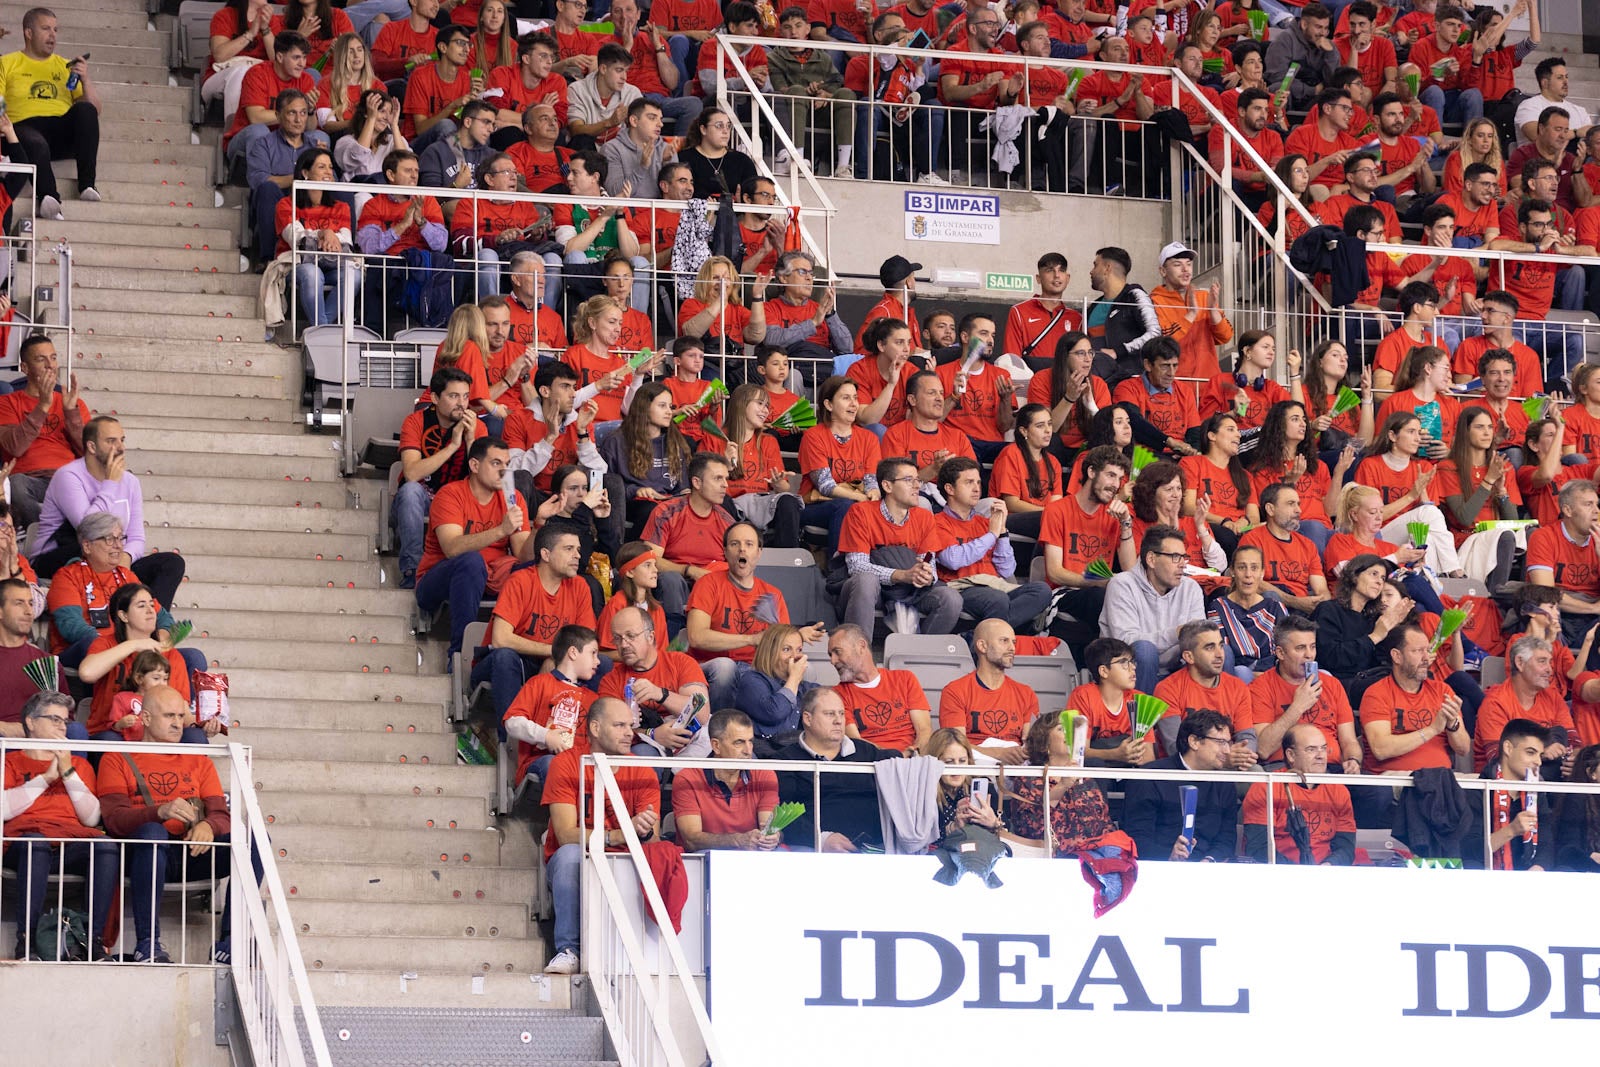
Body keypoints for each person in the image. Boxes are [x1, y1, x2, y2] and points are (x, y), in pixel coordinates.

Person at [98, 686, 253, 964]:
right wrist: (158, 812)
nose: (177, 723)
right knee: (153, 831)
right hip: (140, 852)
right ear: (145, 718)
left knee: (252, 840)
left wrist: (209, 826)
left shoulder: (198, 760)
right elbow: (114, 820)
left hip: (188, 851)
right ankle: (148, 943)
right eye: (169, 715)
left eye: (181, 715)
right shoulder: (116, 756)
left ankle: (231, 941)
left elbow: (221, 815)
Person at [541, 697, 660, 974]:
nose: (629, 733)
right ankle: (570, 950)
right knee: (571, 854)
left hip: (625, 858)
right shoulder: (566, 764)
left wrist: (642, 831)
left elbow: (651, 839)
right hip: (581, 855)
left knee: (655, 857)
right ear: (595, 728)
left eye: (630, 725)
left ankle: (641, 953)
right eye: (619, 725)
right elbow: (566, 835)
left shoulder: (641, 768)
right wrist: (620, 835)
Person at [2, 691, 115, 960]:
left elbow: (91, 819)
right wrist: (46, 777)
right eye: (54, 719)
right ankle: (26, 942)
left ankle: (93, 941)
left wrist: (66, 772)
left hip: (69, 843)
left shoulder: (78, 765)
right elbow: (4, 809)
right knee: (35, 844)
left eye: (65, 721)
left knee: (105, 847)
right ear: (30, 722)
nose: (62, 727)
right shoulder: (9, 760)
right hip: (25, 843)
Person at [30, 416, 185, 609]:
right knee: (94, 548)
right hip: (59, 557)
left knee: (172, 563)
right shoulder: (68, 476)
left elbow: (136, 537)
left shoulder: (130, 482)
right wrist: (110, 484)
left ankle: (154, 628)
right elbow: (89, 530)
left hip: (112, 557)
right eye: (111, 441)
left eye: (122, 440)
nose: (120, 447)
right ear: (92, 447)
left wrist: (125, 558)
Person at [415, 437, 533, 657]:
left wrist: (540, 526)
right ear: (474, 465)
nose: (504, 471)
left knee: (532, 569)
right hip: (437, 577)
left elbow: (523, 556)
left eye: (507, 465)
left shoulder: (513, 497)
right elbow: (451, 548)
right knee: (471, 561)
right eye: (496, 463)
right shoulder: (451, 494)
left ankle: (520, 650)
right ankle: (461, 654)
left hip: (491, 575)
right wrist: (500, 530)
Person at [472, 525, 599, 720]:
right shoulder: (520, 581)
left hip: (555, 662)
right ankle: (512, 743)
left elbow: (586, 643)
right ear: (546, 554)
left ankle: (582, 739)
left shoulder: (580, 586)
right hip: (508, 662)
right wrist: (554, 652)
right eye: (568, 549)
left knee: (602, 664)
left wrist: (555, 660)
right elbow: (500, 640)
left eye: (578, 550)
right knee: (505, 657)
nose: (577, 556)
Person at [835, 456, 962, 636]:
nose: (917, 486)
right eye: (909, 480)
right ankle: (859, 653)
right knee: (865, 580)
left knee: (951, 598)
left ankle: (921, 657)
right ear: (887, 486)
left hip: (910, 591)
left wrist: (926, 575)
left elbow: (930, 562)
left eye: (918, 480)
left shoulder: (925, 517)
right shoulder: (861, 512)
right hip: (875, 591)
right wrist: (901, 575)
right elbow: (857, 567)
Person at [0, 8, 100, 218]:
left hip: (58, 131)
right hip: (22, 130)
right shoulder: (7, 63)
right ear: (28, 33)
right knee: (33, 140)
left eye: (55, 29)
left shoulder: (65, 66)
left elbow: (95, 111)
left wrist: (85, 80)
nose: (53, 35)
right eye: (45, 29)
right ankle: (48, 197)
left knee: (85, 110)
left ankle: (87, 186)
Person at [776, 684, 899, 854]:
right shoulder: (785, 760)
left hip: (877, 850)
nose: (839, 720)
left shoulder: (868, 752)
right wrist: (821, 838)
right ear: (807, 718)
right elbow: (782, 814)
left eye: (841, 713)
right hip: (812, 850)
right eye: (829, 714)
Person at [1002, 715, 1131, 858]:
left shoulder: (1086, 779)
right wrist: (1062, 786)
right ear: (1044, 744)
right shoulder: (1028, 779)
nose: (1070, 734)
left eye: (1072, 730)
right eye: (1062, 729)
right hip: (1052, 861)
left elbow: (1105, 823)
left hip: (1093, 861)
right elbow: (1031, 827)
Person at [1121, 709, 1241, 862]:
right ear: (1194, 742)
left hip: (1208, 872)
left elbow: (1227, 837)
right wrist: (1169, 856)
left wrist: (1210, 860)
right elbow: (1136, 837)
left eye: (1229, 743)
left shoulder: (1224, 784)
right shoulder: (1149, 777)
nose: (1228, 750)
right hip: (1157, 869)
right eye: (1220, 742)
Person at [1354, 410, 1462, 578]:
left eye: (1419, 433)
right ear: (1392, 435)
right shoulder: (1370, 465)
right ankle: (1456, 571)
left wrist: (1422, 488)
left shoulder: (1424, 468)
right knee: (1429, 513)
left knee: (1427, 539)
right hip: (1378, 535)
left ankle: (1430, 583)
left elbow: (1430, 519)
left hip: (1410, 535)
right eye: (1411, 432)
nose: (1418, 438)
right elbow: (1369, 518)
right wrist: (1411, 495)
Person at [1250, 612, 1363, 771]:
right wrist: (1297, 707)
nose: (1309, 655)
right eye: (1300, 648)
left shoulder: (1332, 684)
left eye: (1313, 646)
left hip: (1331, 767)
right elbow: (1263, 749)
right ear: (1281, 653)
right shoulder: (1261, 687)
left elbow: (1349, 741)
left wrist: (1353, 760)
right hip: (1285, 769)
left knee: (1376, 792)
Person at [1359, 619, 1470, 778]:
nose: (1427, 658)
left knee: (1485, 787)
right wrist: (1432, 729)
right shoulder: (1377, 693)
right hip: (1398, 781)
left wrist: (1453, 724)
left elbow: (1464, 749)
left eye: (1427, 650)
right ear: (1397, 656)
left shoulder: (1442, 691)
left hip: (1442, 779)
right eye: (1418, 651)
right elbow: (1381, 749)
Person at [1101, 524, 1205, 694]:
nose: (1182, 565)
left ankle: (1213, 719)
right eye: (1175, 557)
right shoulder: (1122, 585)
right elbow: (1126, 642)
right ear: (1151, 559)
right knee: (1144, 650)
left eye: (1184, 557)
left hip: (1175, 674)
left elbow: (1198, 639)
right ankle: (1141, 719)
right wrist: (1177, 633)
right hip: (1129, 675)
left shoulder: (1191, 588)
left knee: (1220, 652)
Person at [1040, 444, 1136, 628]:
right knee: (1103, 598)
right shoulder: (1057, 510)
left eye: (1120, 479)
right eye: (1110, 475)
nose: (1116, 485)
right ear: (1091, 471)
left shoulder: (1115, 514)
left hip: (1103, 592)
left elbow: (1130, 568)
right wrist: (1097, 582)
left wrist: (1126, 524)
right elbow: (1054, 573)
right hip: (1065, 593)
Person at [0, 334, 87, 531]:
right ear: (25, 368)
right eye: (41, 359)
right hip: (28, 480)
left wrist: (72, 414)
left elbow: (88, 453)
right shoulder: (7, 403)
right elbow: (14, 447)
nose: (50, 365)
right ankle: (56, 534)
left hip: (68, 478)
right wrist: (43, 407)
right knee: (17, 485)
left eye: (53, 358)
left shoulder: (71, 401)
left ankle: (57, 536)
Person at [600, 605, 710, 756]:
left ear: (650, 637)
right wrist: (652, 733)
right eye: (617, 638)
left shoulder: (681, 662)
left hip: (690, 739)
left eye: (630, 636)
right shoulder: (611, 681)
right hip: (647, 743)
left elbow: (702, 713)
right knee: (641, 753)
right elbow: (611, 732)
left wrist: (661, 694)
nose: (623, 645)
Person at [1240, 722, 1357, 864]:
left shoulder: (1340, 791)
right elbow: (1258, 847)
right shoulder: (1265, 788)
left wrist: (1328, 866)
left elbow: (1345, 847)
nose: (1321, 756)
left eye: (1324, 748)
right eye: (1311, 749)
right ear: (1291, 755)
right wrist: (1296, 873)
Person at [1433, 405, 1520, 589]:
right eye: (1479, 427)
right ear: (1466, 431)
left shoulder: (1502, 467)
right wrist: (1488, 481)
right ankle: (1497, 595)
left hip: (1497, 536)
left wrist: (1502, 491)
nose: (1487, 433)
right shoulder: (1449, 467)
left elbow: (1514, 523)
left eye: (1490, 427)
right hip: (1466, 538)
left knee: (1529, 533)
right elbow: (1464, 518)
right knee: (1504, 536)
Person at [502, 624, 599, 788]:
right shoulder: (539, 683)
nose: (598, 661)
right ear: (573, 652)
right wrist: (545, 736)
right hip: (542, 761)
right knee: (554, 764)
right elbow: (512, 722)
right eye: (593, 653)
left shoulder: (594, 698)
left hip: (581, 764)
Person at [672, 709, 782, 851]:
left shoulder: (765, 776)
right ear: (716, 746)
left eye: (751, 742)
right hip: (706, 861)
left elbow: (767, 826)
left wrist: (771, 838)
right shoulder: (687, 779)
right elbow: (691, 840)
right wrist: (737, 841)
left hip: (753, 858)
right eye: (739, 742)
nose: (748, 751)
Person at [1152, 620, 1259, 763]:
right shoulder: (1167, 689)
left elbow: (1247, 737)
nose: (1219, 654)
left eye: (1221, 646)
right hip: (1184, 772)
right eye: (1209, 648)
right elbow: (1174, 747)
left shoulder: (1237, 687)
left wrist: (1244, 754)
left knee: (1254, 771)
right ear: (1189, 657)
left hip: (1228, 766)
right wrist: (1223, 757)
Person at [798, 376, 881, 558]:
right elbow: (825, 486)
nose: (854, 404)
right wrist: (860, 498)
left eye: (856, 398)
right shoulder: (814, 437)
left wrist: (873, 494)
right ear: (828, 405)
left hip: (857, 502)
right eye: (846, 398)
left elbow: (871, 481)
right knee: (845, 506)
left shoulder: (869, 439)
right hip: (815, 506)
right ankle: (837, 569)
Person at [936, 619, 1038, 765]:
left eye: (1013, 642)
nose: (1012, 648)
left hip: (1016, 768)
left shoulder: (1026, 693)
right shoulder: (955, 691)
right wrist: (998, 754)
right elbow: (955, 747)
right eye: (1004, 641)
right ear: (982, 646)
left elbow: (1030, 744)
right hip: (974, 767)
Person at [1248, 400, 1344, 555]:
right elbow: (1271, 512)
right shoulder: (1262, 470)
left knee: (1354, 535)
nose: (1303, 424)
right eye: (1295, 419)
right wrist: (1289, 483)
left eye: (1304, 419)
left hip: (1325, 531)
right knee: (1314, 527)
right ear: (1279, 426)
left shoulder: (1318, 466)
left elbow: (1331, 511)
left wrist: (1339, 473)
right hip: (1292, 531)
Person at [274, 147, 357, 327]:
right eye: (321, 167)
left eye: (330, 167)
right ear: (305, 173)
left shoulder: (341, 206)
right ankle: (322, 328)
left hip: (333, 263)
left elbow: (346, 240)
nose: (328, 172)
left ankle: (320, 329)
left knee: (354, 275)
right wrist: (323, 233)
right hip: (297, 265)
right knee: (313, 272)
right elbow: (295, 238)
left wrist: (324, 236)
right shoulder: (287, 204)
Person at [770, 7, 857, 178]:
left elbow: (836, 81)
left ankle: (843, 166)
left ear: (807, 29)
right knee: (796, 91)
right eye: (787, 27)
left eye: (798, 25)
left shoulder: (823, 57)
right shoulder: (774, 57)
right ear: (781, 31)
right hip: (791, 112)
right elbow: (779, 88)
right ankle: (798, 159)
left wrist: (826, 94)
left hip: (821, 111)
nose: (793, 32)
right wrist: (804, 92)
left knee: (847, 94)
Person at [1472, 636, 1579, 774]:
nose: (1550, 670)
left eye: (1550, 663)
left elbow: (1574, 742)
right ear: (1520, 663)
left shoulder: (1553, 697)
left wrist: (1573, 760)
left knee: (1561, 736)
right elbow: (1499, 758)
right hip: (1501, 783)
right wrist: (1541, 753)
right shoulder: (1495, 702)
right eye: (1542, 662)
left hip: (1547, 776)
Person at [245, 91, 326, 265]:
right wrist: (301, 178)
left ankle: (346, 254)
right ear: (278, 116)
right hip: (275, 202)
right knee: (268, 189)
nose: (299, 119)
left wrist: (323, 167)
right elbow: (259, 180)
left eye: (303, 113)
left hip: (307, 205)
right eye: (292, 113)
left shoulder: (316, 148)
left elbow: (329, 181)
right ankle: (268, 259)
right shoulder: (264, 144)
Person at [826, 622, 931, 755]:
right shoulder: (837, 694)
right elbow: (856, 742)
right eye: (830, 655)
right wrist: (895, 758)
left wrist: (914, 756)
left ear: (861, 646)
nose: (833, 661)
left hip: (913, 760)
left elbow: (924, 731)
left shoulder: (904, 679)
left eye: (837, 652)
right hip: (871, 765)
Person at [1311, 552, 1414, 687]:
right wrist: (1374, 637)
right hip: (1335, 683)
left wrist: (1396, 626)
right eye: (1374, 574)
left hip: (1367, 680)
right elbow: (1331, 657)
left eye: (1383, 578)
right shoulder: (1328, 610)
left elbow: (1382, 660)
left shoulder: (1373, 619)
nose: (1379, 581)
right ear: (1354, 576)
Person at [1463, 717, 1551, 871]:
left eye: (1540, 755)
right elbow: (1469, 851)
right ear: (1508, 748)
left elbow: (1547, 844)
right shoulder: (1479, 790)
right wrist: (1511, 830)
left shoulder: (1538, 793)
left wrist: (1538, 868)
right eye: (1531, 752)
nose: (1538, 762)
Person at [720, 384, 801, 547]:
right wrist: (726, 465)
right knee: (720, 501)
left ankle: (789, 559)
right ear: (741, 404)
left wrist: (778, 484)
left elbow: (784, 488)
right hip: (730, 504)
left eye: (767, 406)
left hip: (762, 503)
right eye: (760, 404)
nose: (766, 411)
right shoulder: (716, 438)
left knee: (788, 502)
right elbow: (706, 483)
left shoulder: (768, 441)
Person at [1526, 479, 1600, 649]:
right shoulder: (1543, 537)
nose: (1596, 511)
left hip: (1593, 616)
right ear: (1567, 510)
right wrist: (1592, 608)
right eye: (1588, 504)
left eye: (1597, 504)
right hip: (1559, 611)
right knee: (1544, 613)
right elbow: (1545, 594)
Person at [224, 31, 315, 168]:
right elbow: (256, 117)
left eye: (304, 58)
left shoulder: (306, 80)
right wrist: (295, 113)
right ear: (279, 56)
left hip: (288, 141)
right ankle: (264, 182)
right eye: (296, 58)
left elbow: (310, 127)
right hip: (246, 140)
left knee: (319, 136)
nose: (302, 64)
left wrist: (310, 111)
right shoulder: (257, 74)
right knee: (259, 131)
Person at [1240, 484, 1333, 614]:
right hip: (1272, 608)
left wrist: (1321, 602)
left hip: (1303, 609)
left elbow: (1322, 589)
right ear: (1270, 509)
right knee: (1270, 597)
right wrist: (1294, 601)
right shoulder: (1252, 540)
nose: (1299, 510)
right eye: (1291, 504)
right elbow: (1253, 582)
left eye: (1298, 504)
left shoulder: (1308, 545)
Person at [1150, 243, 1235, 380]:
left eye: (1188, 264)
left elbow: (1226, 337)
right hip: (1174, 383)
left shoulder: (1203, 297)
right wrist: (1191, 315)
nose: (1185, 269)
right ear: (1163, 271)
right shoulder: (1154, 301)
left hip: (1209, 382)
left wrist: (1213, 311)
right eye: (1177, 265)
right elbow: (1161, 343)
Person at [1064, 637, 1152, 768]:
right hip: (1096, 771)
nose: (1133, 667)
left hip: (1128, 771)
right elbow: (1076, 753)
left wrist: (1138, 757)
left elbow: (1149, 757)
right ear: (1104, 671)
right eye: (1124, 662)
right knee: (1094, 764)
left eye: (1132, 662)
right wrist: (1115, 754)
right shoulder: (1083, 696)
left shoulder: (1140, 700)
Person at [881, 371, 974, 492]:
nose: (939, 398)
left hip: (953, 501)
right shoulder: (896, 435)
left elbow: (972, 479)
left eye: (941, 393)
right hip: (914, 501)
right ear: (912, 400)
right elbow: (896, 486)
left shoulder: (958, 437)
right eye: (931, 393)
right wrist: (934, 469)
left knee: (990, 504)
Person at [730, 623, 818, 748]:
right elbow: (773, 712)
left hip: (794, 757)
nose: (795, 656)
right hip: (763, 758)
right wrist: (794, 678)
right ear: (769, 652)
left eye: (799, 650)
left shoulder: (804, 687)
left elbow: (828, 702)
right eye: (786, 649)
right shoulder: (751, 680)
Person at [1111, 337, 1201, 457]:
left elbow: (1194, 433)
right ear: (1148, 365)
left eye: (1175, 365)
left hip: (1179, 457)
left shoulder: (1185, 391)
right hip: (1142, 456)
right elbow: (1134, 424)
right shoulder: (1127, 388)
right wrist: (1170, 442)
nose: (1171, 373)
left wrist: (1191, 453)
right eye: (1165, 366)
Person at [1182, 412, 1258, 555]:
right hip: (1207, 529)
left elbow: (1254, 517)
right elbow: (1188, 508)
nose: (1238, 435)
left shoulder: (1245, 475)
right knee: (1226, 536)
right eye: (1230, 429)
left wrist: (1243, 522)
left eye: (1237, 430)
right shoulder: (1191, 464)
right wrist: (1224, 521)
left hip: (1239, 532)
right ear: (1212, 436)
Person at [1084, 246, 1161, 386]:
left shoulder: (1134, 295)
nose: (1091, 271)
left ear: (1107, 268)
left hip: (1129, 383)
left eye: (1095, 265)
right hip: (1097, 384)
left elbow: (1155, 334)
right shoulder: (1093, 306)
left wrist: (1118, 352)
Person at [763, 250, 852, 361]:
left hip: (824, 366)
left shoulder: (820, 309)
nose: (809, 278)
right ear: (784, 278)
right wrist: (813, 323)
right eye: (802, 272)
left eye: (811, 273)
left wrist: (830, 315)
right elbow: (772, 341)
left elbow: (847, 349)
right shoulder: (769, 308)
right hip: (792, 367)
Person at [1451, 292, 1542, 398]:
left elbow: (1531, 403)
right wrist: (1473, 388)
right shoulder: (1468, 346)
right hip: (1478, 412)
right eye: (1483, 310)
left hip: (1515, 413)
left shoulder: (1529, 356)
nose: (1483, 316)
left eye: (1490, 311)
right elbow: (1461, 396)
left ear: (1507, 318)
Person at [1005, 253, 1082, 368]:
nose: (1056, 275)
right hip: (1031, 383)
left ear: (1068, 278)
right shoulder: (1019, 311)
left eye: (1061, 270)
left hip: (1065, 383)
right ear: (1038, 278)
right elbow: (1012, 359)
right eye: (1049, 270)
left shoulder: (1077, 318)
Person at [1264, 3, 1340, 112]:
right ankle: (1281, 125)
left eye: (1326, 28)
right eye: (1318, 27)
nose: (1323, 33)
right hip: (1291, 96)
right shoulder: (1284, 41)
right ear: (1304, 24)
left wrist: (1330, 54)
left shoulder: (1328, 46)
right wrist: (1312, 90)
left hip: (1318, 97)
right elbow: (1276, 76)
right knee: (1279, 88)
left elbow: (1334, 82)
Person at [849, 317, 919, 432]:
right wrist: (891, 385)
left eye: (909, 342)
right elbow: (867, 421)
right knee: (877, 429)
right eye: (899, 342)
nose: (907, 349)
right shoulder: (859, 370)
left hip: (900, 438)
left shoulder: (912, 372)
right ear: (881, 345)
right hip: (867, 438)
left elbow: (918, 421)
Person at [602, 99, 677, 197]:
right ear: (634, 121)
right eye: (652, 118)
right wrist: (642, 166)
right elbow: (615, 193)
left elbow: (676, 195)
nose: (660, 124)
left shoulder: (666, 148)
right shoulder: (612, 149)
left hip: (659, 210)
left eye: (660, 119)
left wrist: (666, 164)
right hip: (627, 211)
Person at [1514, 57, 1594, 148]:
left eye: (1566, 77)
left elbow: (1592, 142)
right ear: (1545, 83)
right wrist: (1576, 132)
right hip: (1539, 161)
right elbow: (1537, 136)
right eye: (1560, 78)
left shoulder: (1580, 110)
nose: (1566, 82)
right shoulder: (1529, 106)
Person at [1552, 743, 1600, 872]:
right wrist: (1592, 857)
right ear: (1591, 773)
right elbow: (1568, 851)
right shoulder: (1576, 799)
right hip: (1586, 872)